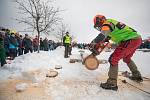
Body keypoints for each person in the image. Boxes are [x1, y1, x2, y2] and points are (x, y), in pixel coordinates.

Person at [89, 14, 143, 90]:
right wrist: (94, 53)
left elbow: (101, 36)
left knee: (113, 59)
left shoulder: (107, 23)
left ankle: (112, 83)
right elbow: (103, 43)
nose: (99, 27)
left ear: (101, 20)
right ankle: (136, 75)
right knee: (127, 58)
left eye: (98, 25)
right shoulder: (109, 29)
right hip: (136, 39)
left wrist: (93, 42)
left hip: (129, 40)